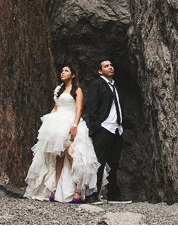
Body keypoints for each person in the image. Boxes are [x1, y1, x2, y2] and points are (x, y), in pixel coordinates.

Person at [24, 66, 101, 203]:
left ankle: (77, 190)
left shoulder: (77, 90)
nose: (62, 73)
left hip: (70, 121)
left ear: (72, 75)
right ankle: (56, 189)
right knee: (58, 156)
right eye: (62, 71)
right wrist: (47, 125)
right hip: (57, 123)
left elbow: (79, 109)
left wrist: (75, 126)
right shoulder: (58, 90)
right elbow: (55, 107)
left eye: (66, 71)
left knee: (72, 154)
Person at [85, 60, 131, 204]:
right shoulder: (97, 84)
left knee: (113, 163)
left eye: (111, 65)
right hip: (104, 128)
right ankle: (92, 193)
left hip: (117, 129)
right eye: (106, 66)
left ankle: (113, 194)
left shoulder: (114, 86)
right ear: (100, 71)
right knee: (99, 161)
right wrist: (98, 127)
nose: (110, 67)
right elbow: (92, 107)